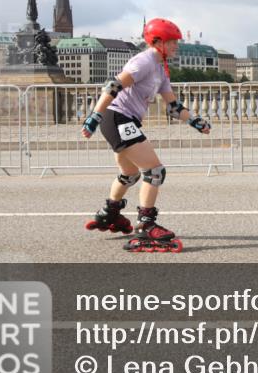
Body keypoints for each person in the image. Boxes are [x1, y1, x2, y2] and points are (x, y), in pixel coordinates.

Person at [80, 18, 211, 252]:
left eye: (176, 42)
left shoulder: (161, 68)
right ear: (157, 42)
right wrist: (94, 117)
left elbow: (173, 107)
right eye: (172, 42)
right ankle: (146, 225)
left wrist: (194, 121)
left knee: (129, 174)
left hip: (124, 120)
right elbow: (113, 86)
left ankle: (109, 213)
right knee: (154, 171)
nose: (176, 46)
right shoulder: (144, 61)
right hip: (116, 117)